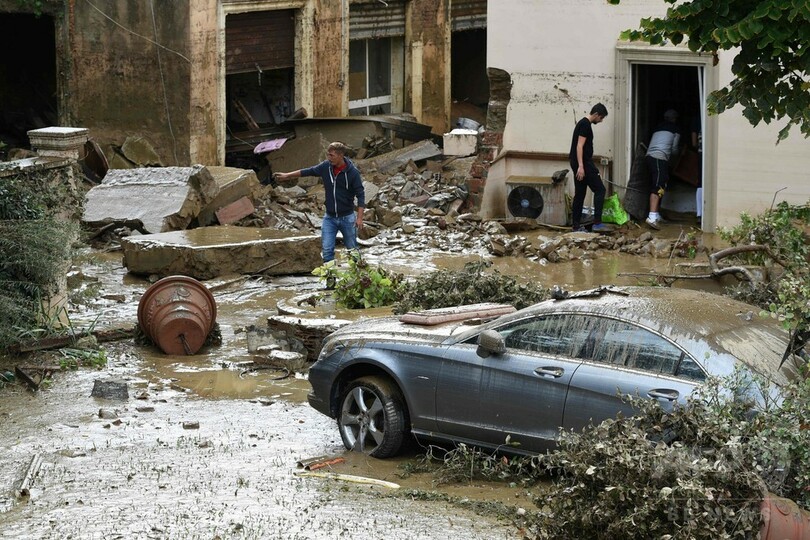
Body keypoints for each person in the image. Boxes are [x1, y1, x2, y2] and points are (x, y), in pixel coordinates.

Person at [274, 141, 365, 264]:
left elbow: (361, 195)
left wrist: (359, 218)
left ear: (340, 155)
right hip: (330, 218)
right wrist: (287, 175)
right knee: (327, 250)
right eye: (328, 155)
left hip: (347, 218)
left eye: (331, 155)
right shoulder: (325, 167)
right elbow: (308, 171)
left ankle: (359, 277)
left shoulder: (352, 173)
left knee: (353, 250)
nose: (329, 158)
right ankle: (330, 280)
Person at [569, 103, 609, 232]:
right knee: (600, 190)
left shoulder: (583, 123)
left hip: (579, 163)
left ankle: (576, 226)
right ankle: (597, 223)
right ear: (596, 114)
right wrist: (581, 166)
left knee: (580, 194)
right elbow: (579, 146)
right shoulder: (585, 124)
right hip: (584, 164)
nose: (601, 121)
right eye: (601, 118)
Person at [644, 109, 681, 230]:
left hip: (650, 157)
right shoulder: (676, 130)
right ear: (675, 119)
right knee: (658, 186)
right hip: (659, 158)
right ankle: (652, 217)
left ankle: (656, 214)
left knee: (661, 185)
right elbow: (674, 149)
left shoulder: (657, 128)